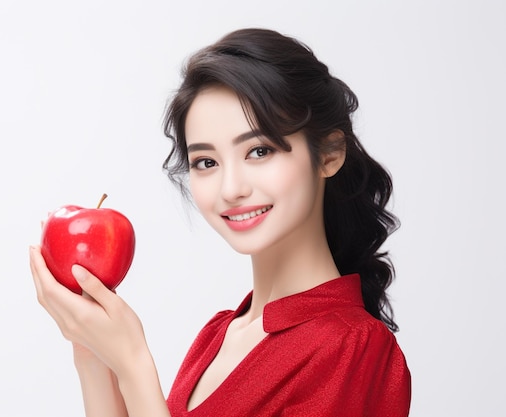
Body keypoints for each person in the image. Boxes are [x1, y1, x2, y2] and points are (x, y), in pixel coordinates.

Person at [29, 28, 411, 417]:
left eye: (259, 151)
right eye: (206, 162)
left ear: (329, 154)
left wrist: (133, 365)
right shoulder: (218, 336)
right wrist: (93, 357)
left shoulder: (353, 347)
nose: (230, 189)